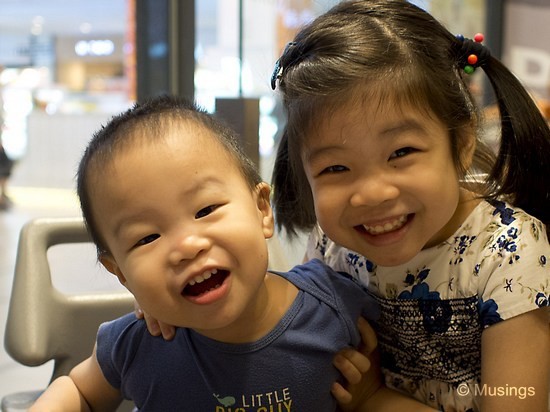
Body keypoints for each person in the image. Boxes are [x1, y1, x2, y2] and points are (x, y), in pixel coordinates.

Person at [269, 1, 550, 411]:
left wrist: (373, 398)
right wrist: (176, 317)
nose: (371, 194)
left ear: (462, 140)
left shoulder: (508, 252)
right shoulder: (334, 248)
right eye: (336, 167)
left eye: (401, 152)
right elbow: (273, 321)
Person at [30, 95, 393, 411]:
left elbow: (378, 392)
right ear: (120, 272)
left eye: (205, 211)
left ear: (262, 210)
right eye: (148, 237)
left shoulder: (336, 306)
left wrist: (367, 395)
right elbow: (80, 390)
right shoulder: (140, 342)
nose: (187, 246)